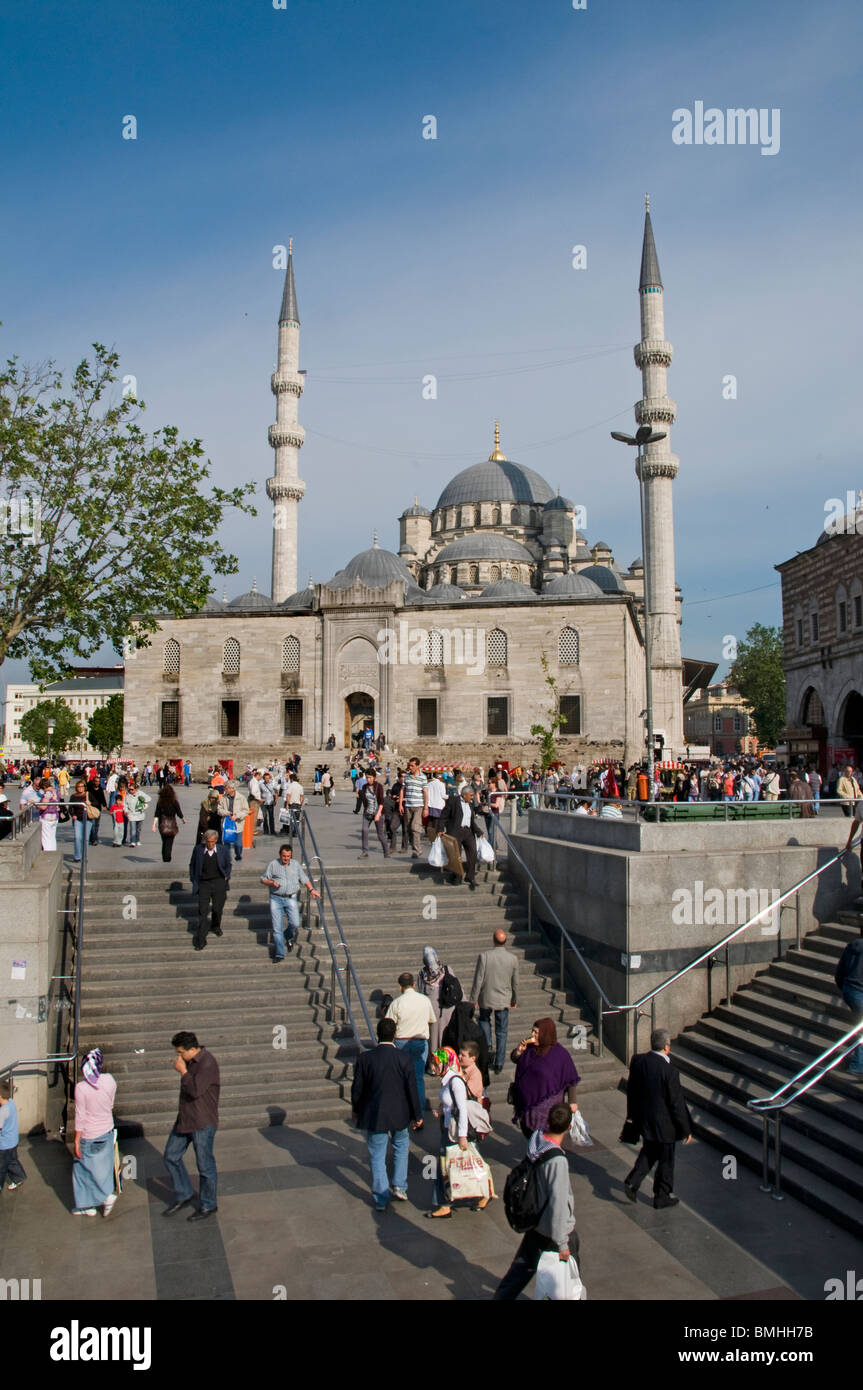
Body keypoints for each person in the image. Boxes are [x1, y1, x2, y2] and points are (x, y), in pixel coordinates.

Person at [492, 1103, 578, 1300]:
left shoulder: (537, 1138)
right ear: (569, 1127)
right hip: (553, 1230)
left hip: (535, 1220)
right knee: (567, 1279)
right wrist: (562, 1242)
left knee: (519, 1271)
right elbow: (558, 1201)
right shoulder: (558, 1161)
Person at [351, 1017, 422, 1210]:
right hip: (400, 1114)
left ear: (377, 1034)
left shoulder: (365, 1058)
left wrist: (356, 1109)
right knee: (401, 1146)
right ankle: (400, 1185)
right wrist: (417, 1115)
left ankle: (381, 1196)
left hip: (375, 1115)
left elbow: (357, 1088)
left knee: (377, 1154)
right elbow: (411, 1089)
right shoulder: (404, 1058)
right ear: (395, 1035)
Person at [623, 1027, 694, 1209]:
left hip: (645, 1119)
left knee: (649, 1151)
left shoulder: (638, 1061)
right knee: (665, 1161)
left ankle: (633, 1181)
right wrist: (686, 1130)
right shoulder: (669, 1072)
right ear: (666, 1047)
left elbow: (632, 1090)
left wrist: (633, 1115)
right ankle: (661, 1195)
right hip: (665, 1125)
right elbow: (676, 1104)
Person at [162, 1031, 220, 1221]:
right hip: (186, 1118)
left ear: (192, 1049)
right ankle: (184, 1192)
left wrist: (183, 1072)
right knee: (171, 1155)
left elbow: (195, 1090)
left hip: (201, 1122)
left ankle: (208, 1204)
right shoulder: (191, 1060)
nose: (179, 1057)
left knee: (205, 1165)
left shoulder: (207, 1064)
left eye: (181, 1053)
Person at [425, 1046, 476, 1219]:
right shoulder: (447, 1079)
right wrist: (442, 1110)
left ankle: (444, 1204)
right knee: (449, 1166)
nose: (433, 1068)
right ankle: (450, 1200)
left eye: (436, 1064)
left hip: (453, 1132)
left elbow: (462, 1109)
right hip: (448, 1127)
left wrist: (462, 1136)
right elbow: (451, 1103)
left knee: (444, 1167)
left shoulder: (455, 1082)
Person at [510, 1019, 580, 1140]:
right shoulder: (529, 1049)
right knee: (529, 1132)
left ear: (545, 1034)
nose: (532, 1035)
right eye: (532, 1031)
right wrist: (518, 1052)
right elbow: (516, 1060)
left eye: (536, 1032)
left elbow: (570, 1078)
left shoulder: (560, 1054)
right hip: (529, 1105)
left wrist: (572, 1102)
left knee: (545, 1137)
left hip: (548, 1105)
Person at [71, 1048, 118, 1217]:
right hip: (106, 1131)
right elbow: (111, 1105)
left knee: (81, 1169)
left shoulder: (81, 1088)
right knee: (102, 1169)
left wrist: (76, 1140)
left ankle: (101, 1199)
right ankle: (90, 1204)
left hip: (89, 1136)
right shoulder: (110, 1080)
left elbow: (80, 1116)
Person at [386, 972, 436, 1120]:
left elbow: (388, 1023)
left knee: (401, 1078)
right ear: (414, 984)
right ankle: (418, 1112)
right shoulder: (424, 1000)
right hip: (420, 1041)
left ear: (400, 986)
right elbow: (431, 1019)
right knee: (418, 1078)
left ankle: (403, 1109)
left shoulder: (397, 1003)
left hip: (402, 1042)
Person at [261, 843, 320, 962]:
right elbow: (263, 879)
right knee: (277, 928)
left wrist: (312, 890)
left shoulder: (295, 865)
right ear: (280, 855)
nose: (286, 858)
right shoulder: (273, 864)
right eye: (284, 856)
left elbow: (304, 878)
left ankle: (288, 936)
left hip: (290, 898)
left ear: (291, 855)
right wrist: (272, 883)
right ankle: (279, 953)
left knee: (295, 922)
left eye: (288, 856)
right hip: (276, 898)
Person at [470, 930, 519, 1074]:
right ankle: (499, 1062)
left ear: (493, 940)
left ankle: (488, 1043)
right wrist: (514, 999)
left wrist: (473, 998)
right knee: (502, 1031)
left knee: (484, 1020)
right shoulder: (513, 959)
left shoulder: (485, 956)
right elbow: (515, 982)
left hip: (487, 996)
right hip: (504, 999)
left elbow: (478, 979)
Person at [188, 830, 232, 952]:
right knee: (202, 911)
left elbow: (228, 865)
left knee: (217, 908)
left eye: (213, 842)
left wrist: (226, 876)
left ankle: (215, 925)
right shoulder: (198, 850)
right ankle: (201, 940)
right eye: (208, 842)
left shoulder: (223, 850)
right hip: (204, 884)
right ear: (205, 841)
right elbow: (192, 864)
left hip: (218, 882)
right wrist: (193, 879)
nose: (210, 844)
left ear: (216, 841)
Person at [437, 784, 485, 891]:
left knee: (472, 852)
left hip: (468, 832)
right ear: (464, 795)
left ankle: (470, 877)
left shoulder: (471, 804)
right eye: (471, 795)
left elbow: (471, 821)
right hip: (455, 831)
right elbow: (443, 816)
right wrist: (440, 829)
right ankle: (457, 876)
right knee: (456, 855)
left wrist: (478, 831)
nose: (472, 798)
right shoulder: (453, 801)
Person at [417, 947, 458, 1058]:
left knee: (434, 1038)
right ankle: (445, 1062)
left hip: (432, 1009)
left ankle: (435, 1064)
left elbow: (421, 992)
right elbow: (457, 988)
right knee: (445, 1036)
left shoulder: (422, 974)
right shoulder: (447, 969)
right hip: (448, 1007)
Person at [834, 922, 863, 1077]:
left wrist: (844, 988)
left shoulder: (851, 946)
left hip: (849, 989)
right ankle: (857, 1066)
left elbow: (839, 972)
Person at [357, 767, 390, 859]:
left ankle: (386, 851)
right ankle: (365, 852)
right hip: (368, 813)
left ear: (375, 778)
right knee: (364, 830)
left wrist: (378, 814)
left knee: (380, 835)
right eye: (367, 777)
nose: (368, 779)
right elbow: (364, 800)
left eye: (370, 777)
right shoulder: (364, 787)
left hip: (378, 812)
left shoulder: (378, 786)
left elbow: (381, 801)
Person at [399, 757, 428, 858]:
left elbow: (425, 793)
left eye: (412, 766)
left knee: (415, 828)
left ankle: (417, 850)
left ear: (417, 766)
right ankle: (414, 846)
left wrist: (426, 807)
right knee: (408, 828)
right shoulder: (406, 776)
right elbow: (402, 790)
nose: (410, 767)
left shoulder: (423, 777)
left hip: (418, 806)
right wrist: (400, 805)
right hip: (408, 806)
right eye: (409, 765)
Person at [0, 1079, 27, 1191]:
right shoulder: (11, 1102)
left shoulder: (2, 1112)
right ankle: (19, 1176)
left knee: (1, 1166)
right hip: (13, 1140)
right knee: (12, 1160)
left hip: (4, 1145)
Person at [153, 784, 186, 862]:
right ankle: (167, 856)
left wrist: (153, 825)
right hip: (172, 823)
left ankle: (164, 855)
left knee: (164, 840)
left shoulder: (160, 802)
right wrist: (183, 819)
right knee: (170, 841)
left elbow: (156, 814)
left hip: (162, 823)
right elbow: (179, 812)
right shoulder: (174, 801)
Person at [217, 782, 249, 861]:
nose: (225, 790)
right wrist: (226, 813)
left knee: (238, 844)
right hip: (227, 823)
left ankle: (238, 854)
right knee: (226, 842)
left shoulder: (241, 798)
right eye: (225, 788)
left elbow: (246, 811)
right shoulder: (223, 798)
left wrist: (237, 815)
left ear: (232, 789)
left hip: (238, 823)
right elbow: (219, 810)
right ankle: (228, 858)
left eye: (226, 788)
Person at [124, 780, 151, 846]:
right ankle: (132, 841)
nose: (130, 791)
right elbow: (125, 804)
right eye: (129, 789)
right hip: (131, 814)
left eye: (132, 789)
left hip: (140, 814)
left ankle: (137, 840)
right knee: (133, 829)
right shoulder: (127, 795)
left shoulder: (140, 793)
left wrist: (142, 799)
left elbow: (149, 798)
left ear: (136, 789)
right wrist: (126, 811)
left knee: (138, 829)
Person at [37, 781, 61, 852]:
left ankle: (47, 853)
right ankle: (53, 852)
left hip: (46, 817)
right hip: (55, 816)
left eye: (42, 789)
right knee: (52, 837)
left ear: (44, 787)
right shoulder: (56, 791)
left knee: (46, 838)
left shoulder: (48, 793)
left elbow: (44, 806)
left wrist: (36, 804)